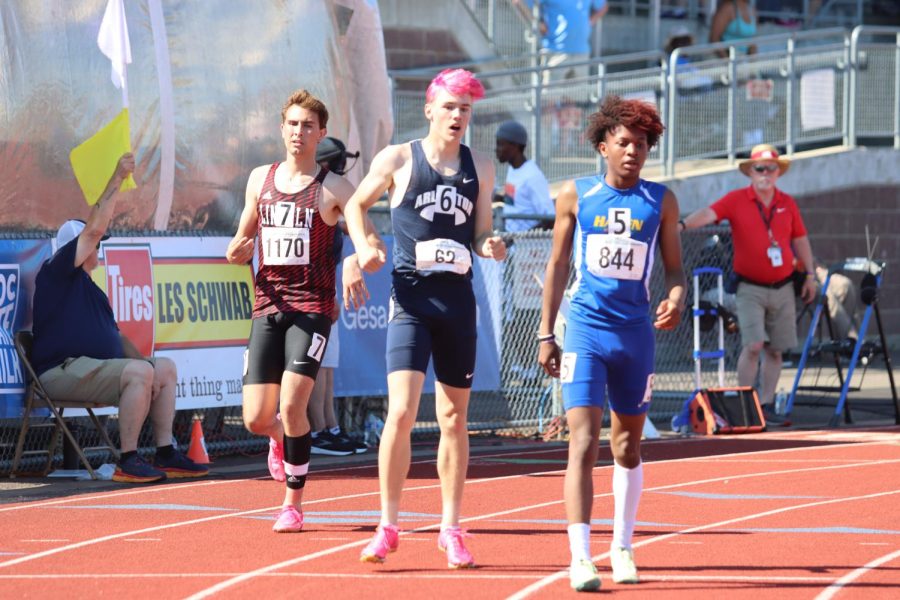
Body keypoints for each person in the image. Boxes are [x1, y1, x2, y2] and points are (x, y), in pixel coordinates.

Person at [343, 68, 507, 568]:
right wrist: (365, 243)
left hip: (457, 303)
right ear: (431, 109)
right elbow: (355, 203)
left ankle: (451, 527)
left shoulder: (480, 165)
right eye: (451, 107)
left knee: (454, 418)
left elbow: (480, 234)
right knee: (401, 411)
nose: (459, 117)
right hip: (410, 299)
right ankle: (387, 526)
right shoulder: (398, 158)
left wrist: (490, 245)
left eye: (467, 109)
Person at [538, 95, 686, 591]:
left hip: (635, 335)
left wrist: (678, 298)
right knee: (582, 442)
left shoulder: (661, 201)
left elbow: (674, 269)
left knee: (626, 446)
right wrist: (546, 331)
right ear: (603, 146)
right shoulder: (575, 196)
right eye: (624, 143)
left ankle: (622, 545)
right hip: (584, 329)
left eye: (642, 145)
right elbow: (557, 267)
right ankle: (580, 556)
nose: (633, 152)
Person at [225, 89, 380, 533]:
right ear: (282, 129)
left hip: (311, 307)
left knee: (295, 405)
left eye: (308, 126)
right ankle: (279, 439)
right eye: (292, 125)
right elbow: (238, 244)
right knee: (257, 417)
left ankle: (292, 502)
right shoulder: (260, 179)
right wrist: (238, 250)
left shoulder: (333, 186)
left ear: (321, 134)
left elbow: (367, 236)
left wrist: (354, 259)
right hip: (267, 304)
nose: (299, 133)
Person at [31, 153, 208, 484]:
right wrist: (116, 177)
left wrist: (147, 367)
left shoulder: (91, 289)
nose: (98, 250)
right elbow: (96, 226)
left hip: (91, 369)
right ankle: (128, 459)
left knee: (163, 368)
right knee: (140, 371)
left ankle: (165, 452)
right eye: (94, 245)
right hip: (60, 371)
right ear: (77, 248)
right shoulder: (55, 272)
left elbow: (117, 337)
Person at [681, 144, 817, 425]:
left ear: (778, 172)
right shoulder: (736, 199)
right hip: (749, 287)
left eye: (771, 167)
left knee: (776, 350)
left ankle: (765, 406)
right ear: (750, 172)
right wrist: (681, 226)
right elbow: (708, 214)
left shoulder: (787, 203)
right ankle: (745, 403)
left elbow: (800, 239)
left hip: (782, 286)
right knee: (754, 344)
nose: (765, 173)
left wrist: (811, 275)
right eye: (760, 168)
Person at [514, 0, 609, 83]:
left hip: (581, 51)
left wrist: (590, 22)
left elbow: (603, 6)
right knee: (550, 99)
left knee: (574, 98)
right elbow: (519, 2)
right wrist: (538, 25)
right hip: (555, 51)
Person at [495, 120, 554, 232]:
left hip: (529, 246)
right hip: (512, 242)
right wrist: (499, 198)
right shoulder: (513, 168)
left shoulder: (532, 177)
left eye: (500, 144)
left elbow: (550, 219)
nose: (496, 149)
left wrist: (520, 238)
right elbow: (517, 201)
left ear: (515, 146)